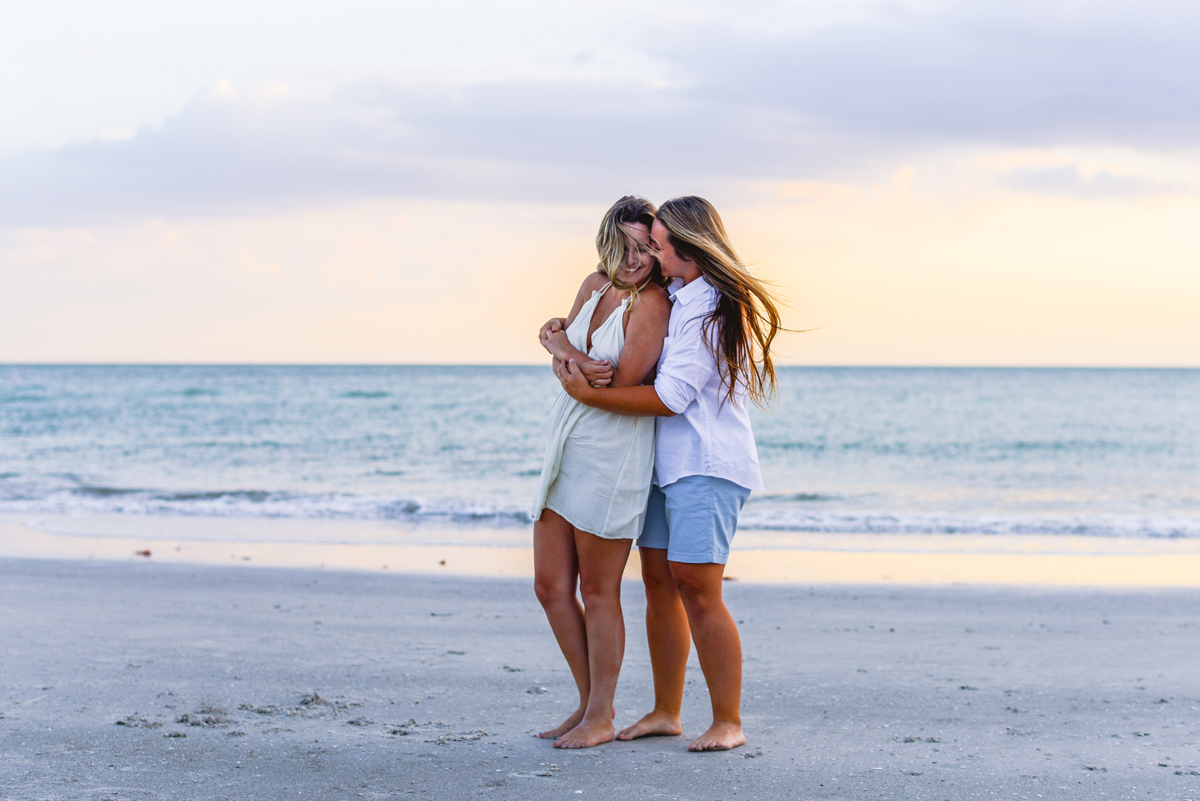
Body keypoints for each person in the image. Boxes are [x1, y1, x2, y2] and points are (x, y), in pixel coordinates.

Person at [558, 195, 781, 752]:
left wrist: (587, 395)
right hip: (664, 465)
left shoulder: (708, 307)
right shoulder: (677, 297)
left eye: (658, 244)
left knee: (699, 590)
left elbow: (673, 397)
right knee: (658, 583)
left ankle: (728, 720)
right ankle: (666, 710)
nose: (652, 254)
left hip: (706, 465)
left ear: (686, 246)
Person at [531, 196, 672, 749]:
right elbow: (561, 349)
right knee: (549, 587)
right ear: (606, 242)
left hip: (614, 451)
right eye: (625, 246)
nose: (634, 259)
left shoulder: (654, 302)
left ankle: (602, 713)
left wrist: (569, 363)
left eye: (645, 248)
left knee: (598, 588)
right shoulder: (594, 283)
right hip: (566, 442)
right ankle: (589, 703)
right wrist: (561, 345)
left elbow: (619, 382)